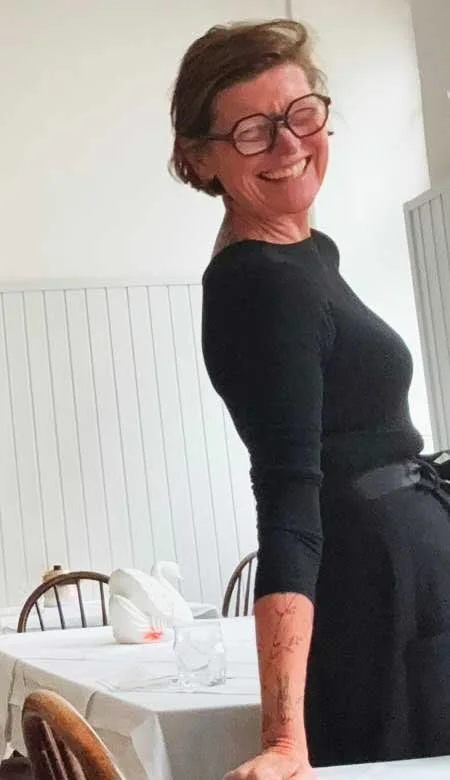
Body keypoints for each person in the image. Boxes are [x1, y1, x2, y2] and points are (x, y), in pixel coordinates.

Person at [170, 19, 450, 778]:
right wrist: (285, 739)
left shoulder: (308, 253)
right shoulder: (260, 284)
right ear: (200, 157)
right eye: (253, 131)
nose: (289, 143)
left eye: (301, 113)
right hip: (378, 600)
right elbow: (290, 503)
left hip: (407, 582)